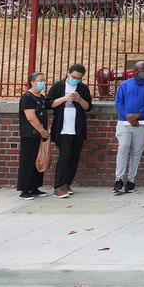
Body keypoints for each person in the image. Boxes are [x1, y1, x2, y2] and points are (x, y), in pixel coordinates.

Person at [113, 60, 144, 194]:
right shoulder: (124, 84)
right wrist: (129, 117)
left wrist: (138, 115)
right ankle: (119, 179)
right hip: (124, 122)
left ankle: (131, 180)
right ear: (135, 71)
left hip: (143, 123)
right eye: (141, 69)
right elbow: (118, 103)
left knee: (136, 152)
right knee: (123, 147)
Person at [46, 64, 91, 198]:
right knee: (65, 155)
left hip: (77, 128)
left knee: (74, 157)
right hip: (62, 128)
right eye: (73, 77)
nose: (75, 80)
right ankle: (58, 186)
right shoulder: (57, 86)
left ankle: (67, 183)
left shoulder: (83, 88)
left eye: (78, 78)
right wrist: (64, 99)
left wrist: (79, 99)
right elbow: (49, 104)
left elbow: (88, 107)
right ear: (68, 73)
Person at [16, 71, 50, 199]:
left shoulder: (40, 97)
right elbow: (31, 117)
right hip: (30, 134)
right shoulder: (27, 97)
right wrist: (42, 131)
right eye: (40, 80)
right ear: (32, 82)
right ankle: (24, 189)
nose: (43, 83)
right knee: (28, 161)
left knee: (38, 161)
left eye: (44, 80)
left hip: (39, 135)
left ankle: (34, 187)